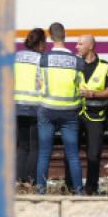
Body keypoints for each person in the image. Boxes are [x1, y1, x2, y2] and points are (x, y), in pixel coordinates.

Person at [35, 22, 85, 194]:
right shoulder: (77, 61)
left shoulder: (43, 59)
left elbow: (39, 83)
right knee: (73, 155)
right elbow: (81, 85)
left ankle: (41, 191)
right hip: (70, 111)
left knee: (44, 154)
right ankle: (79, 191)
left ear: (50, 37)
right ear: (65, 35)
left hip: (47, 109)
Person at [64, 34, 108, 195]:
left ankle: (91, 187)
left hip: (95, 117)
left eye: (80, 44)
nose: (76, 47)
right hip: (75, 114)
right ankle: (70, 185)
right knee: (70, 151)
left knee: (94, 154)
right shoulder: (74, 65)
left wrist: (92, 94)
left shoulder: (105, 66)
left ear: (90, 46)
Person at [14, 27, 46, 186]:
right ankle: (30, 180)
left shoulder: (16, 57)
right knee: (35, 147)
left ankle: (18, 179)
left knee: (22, 145)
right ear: (40, 43)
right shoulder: (41, 59)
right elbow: (43, 83)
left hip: (17, 107)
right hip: (35, 108)